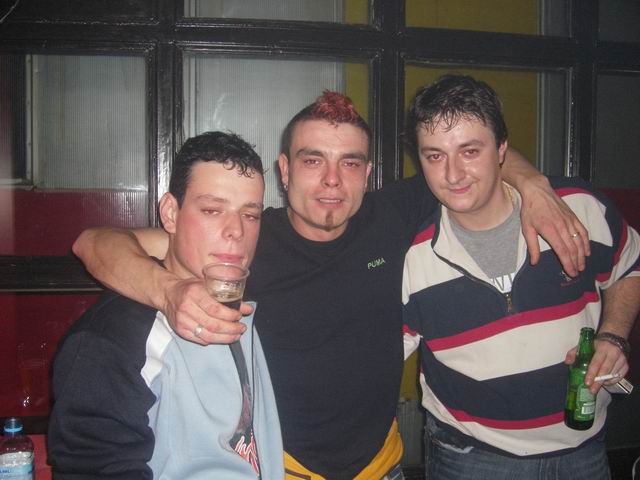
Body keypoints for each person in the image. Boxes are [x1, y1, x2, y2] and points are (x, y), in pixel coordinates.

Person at [71, 91, 589, 479]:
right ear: (284, 171)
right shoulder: (244, 238)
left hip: (384, 466)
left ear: (368, 172)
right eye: (313, 160)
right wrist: (166, 291)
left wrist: (533, 184)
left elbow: (473, 157)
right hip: (284, 468)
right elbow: (96, 243)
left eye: (350, 163)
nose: (332, 181)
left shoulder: (391, 216)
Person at [402, 74, 640, 479]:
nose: (453, 174)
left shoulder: (576, 209)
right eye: (435, 156)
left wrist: (614, 335)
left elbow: (630, 266)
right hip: (471, 459)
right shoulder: (412, 254)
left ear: (502, 150)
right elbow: (372, 353)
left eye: (470, 151)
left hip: (582, 450)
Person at [48, 132, 284, 479]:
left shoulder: (243, 285)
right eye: (212, 210)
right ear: (170, 213)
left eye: (250, 215)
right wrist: (169, 291)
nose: (236, 231)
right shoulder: (112, 339)